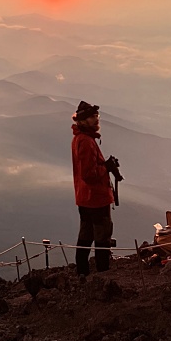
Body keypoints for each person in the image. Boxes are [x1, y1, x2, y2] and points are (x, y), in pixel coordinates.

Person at [71, 101, 115, 277]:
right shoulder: (86, 142)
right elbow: (89, 174)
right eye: (92, 117)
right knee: (102, 237)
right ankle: (103, 274)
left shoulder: (79, 139)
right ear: (83, 120)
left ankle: (83, 273)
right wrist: (106, 168)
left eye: (96, 116)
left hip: (84, 197)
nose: (96, 119)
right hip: (96, 198)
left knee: (86, 235)